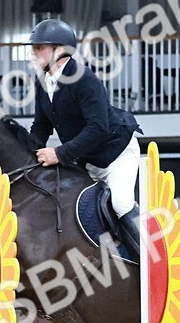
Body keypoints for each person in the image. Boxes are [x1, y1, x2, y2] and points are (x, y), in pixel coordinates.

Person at [27, 18, 144, 257]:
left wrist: (58, 153)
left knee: (120, 203)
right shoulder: (42, 82)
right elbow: (41, 127)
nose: (33, 53)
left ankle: (153, 260)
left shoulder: (84, 79)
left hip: (115, 152)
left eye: (39, 48)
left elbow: (98, 127)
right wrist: (24, 154)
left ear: (59, 50)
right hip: (86, 159)